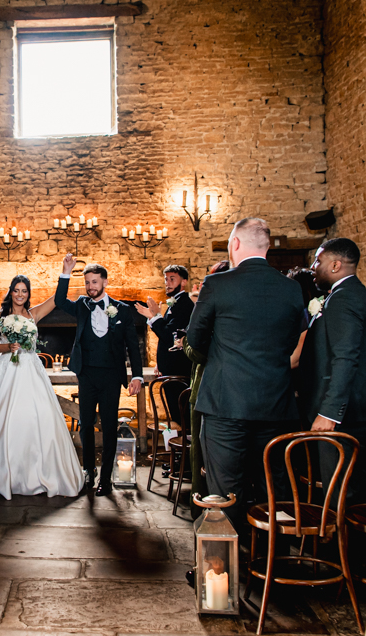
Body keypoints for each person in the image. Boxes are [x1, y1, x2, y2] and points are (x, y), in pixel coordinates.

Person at [185, 218, 305, 531]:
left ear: (235, 244)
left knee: (224, 489)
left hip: (225, 403)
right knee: (273, 488)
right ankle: (269, 565)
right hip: (276, 405)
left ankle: (225, 568)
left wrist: (224, 357)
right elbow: (293, 340)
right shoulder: (292, 289)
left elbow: (194, 339)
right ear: (266, 247)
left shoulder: (218, 284)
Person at [298, 239, 366, 506]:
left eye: (318, 261)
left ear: (336, 264)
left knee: (343, 491)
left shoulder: (344, 298)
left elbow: (345, 357)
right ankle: (364, 544)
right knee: (362, 488)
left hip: (350, 411)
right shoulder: (354, 293)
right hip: (364, 406)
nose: (313, 267)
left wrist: (329, 412)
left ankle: (345, 544)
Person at [0, 274, 84, 498]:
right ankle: (4, 472)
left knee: (38, 416)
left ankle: (41, 471)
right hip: (8, 372)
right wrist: (9, 347)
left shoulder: (34, 315)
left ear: (28, 294)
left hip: (31, 371)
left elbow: (57, 299)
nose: (20, 295)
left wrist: (65, 273)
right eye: (17, 290)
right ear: (10, 292)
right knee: (5, 418)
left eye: (25, 291)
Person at [55, 257, 143, 496]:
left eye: (94, 282)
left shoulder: (122, 310)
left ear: (104, 281)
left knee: (109, 426)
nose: (90, 286)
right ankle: (89, 472)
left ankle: (105, 478)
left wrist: (137, 376)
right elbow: (59, 301)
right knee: (85, 425)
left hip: (112, 377)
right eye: (87, 283)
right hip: (87, 375)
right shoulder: (82, 305)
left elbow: (133, 347)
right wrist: (65, 272)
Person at [182, 260, 230, 519]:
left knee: (202, 450)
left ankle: (200, 505)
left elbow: (197, 349)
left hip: (207, 387)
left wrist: (186, 345)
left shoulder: (210, 308)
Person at [135, 265, 194, 430]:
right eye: (166, 279)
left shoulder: (184, 305)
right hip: (171, 369)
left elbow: (169, 335)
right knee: (178, 415)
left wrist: (155, 316)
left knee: (182, 416)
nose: (167, 283)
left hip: (179, 371)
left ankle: (185, 451)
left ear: (184, 282)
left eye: (172, 279)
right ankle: (182, 449)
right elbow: (169, 339)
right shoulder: (176, 303)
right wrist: (160, 362)